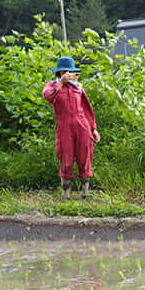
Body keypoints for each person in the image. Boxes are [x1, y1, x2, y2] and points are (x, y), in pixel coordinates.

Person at [43, 57, 100, 201]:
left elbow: (87, 109)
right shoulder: (51, 86)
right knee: (66, 158)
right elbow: (48, 97)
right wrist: (61, 83)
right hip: (64, 125)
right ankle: (66, 196)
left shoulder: (78, 87)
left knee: (84, 157)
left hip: (82, 124)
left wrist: (93, 128)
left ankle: (85, 194)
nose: (68, 73)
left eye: (70, 71)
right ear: (60, 72)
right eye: (65, 71)